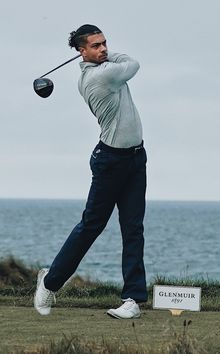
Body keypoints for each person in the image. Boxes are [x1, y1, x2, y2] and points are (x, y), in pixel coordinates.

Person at [34, 24, 148, 319]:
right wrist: (108, 58)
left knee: (133, 228)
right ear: (81, 52)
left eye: (105, 43)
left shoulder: (104, 66)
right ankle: (49, 282)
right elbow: (133, 64)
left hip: (136, 158)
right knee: (91, 226)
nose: (104, 49)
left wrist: (101, 54)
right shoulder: (99, 76)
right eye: (95, 46)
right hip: (110, 161)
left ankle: (133, 299)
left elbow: (120, 62)